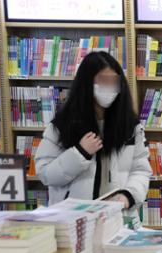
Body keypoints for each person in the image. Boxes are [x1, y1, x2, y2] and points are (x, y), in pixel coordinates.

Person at [35, 51, 151, 215]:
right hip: (74, 221)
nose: (109, 88)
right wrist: (79, 153)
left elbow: (141, 170)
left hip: (118, 219)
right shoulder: (62, 126)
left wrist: (128, 195)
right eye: (103, 81)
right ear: (86, 84)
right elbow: (45, 174)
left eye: (114, 82)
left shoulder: (131, 127)